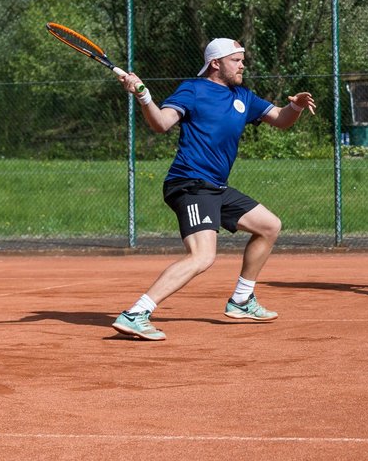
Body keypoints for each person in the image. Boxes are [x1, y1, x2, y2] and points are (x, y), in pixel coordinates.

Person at [111, 38, 317, 341]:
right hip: (190, 184)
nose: (242, 65)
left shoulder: (243, 96)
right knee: (202, 257)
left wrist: (295, 106)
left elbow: (282, 120)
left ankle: (242, 301)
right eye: (236, 60)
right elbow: (161, 123)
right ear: (216, 63)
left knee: (269, 226)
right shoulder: (193, 90)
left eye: (243, 59)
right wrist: (143, 95)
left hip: (216, 188)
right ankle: (136, 313)